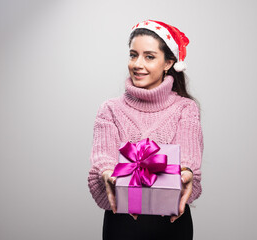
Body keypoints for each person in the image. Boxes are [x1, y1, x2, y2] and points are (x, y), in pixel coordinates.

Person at [88, 20, 204, 240]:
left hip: (171, 225)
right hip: (122, 224)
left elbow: (188, 158)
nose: (137, 64)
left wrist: (186, 171)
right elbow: (103, 159)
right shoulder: (110, 109)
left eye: (149, 56)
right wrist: (107, 173)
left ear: (168, 62)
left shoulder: (185, 109)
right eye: (133, 55)